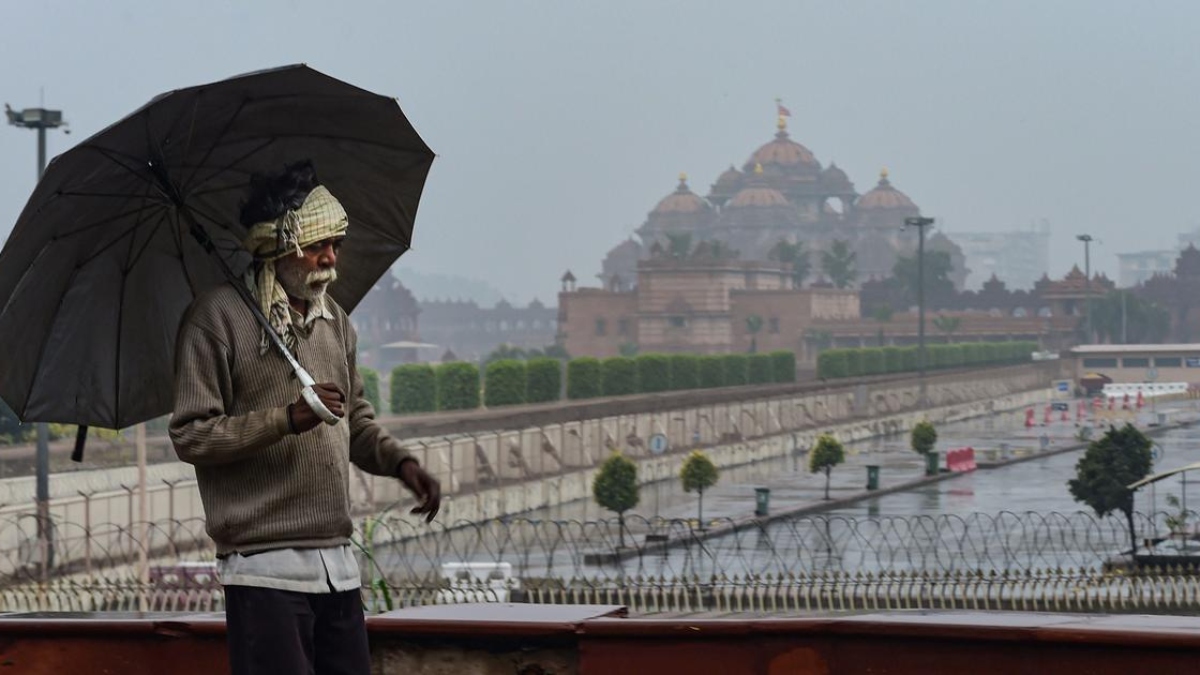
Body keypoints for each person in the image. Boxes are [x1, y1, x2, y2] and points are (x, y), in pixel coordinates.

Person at [169, 159, 440, 675]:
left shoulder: (333, 319)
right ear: (279, 248)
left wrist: (403, 465)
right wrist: (285, 419)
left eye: (335, 244)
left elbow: (354, 420)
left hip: (336, 565)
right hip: (265, 572)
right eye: (318, 246)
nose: (331, 257)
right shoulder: (216, 320)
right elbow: (192, 435)